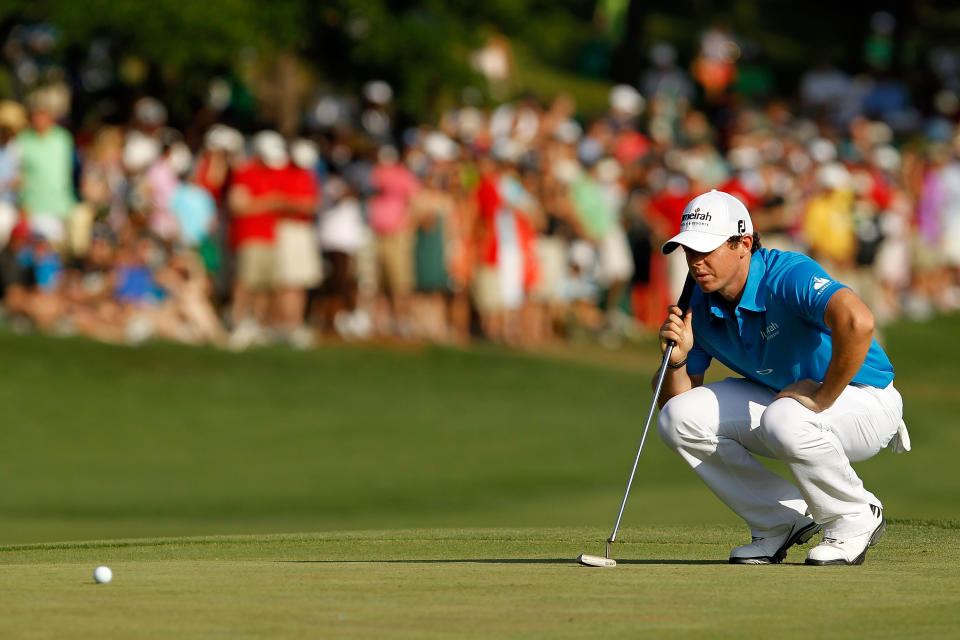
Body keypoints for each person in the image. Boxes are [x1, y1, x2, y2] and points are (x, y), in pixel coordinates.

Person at [655, 189, 909, 566]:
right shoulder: (698, 305)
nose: (695, 262)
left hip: (866, 399)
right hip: (787, 406)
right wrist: (676, 362)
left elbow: (859, 321)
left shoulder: (786, 273)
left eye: (706, 249)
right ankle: (779, 521)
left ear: (743, 243)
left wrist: (824, 395)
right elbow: (679, 408)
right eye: (689, 251)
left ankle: (855, 515)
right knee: (677, 420)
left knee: (786, 416)